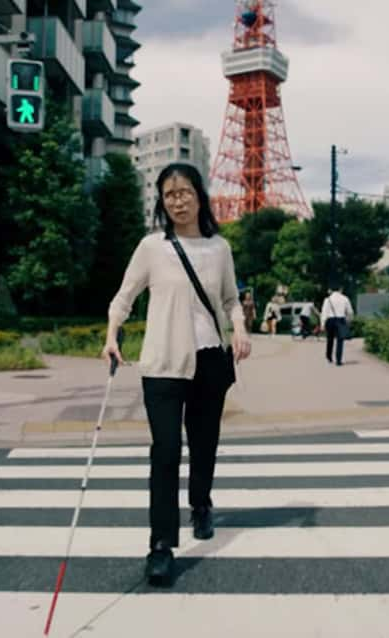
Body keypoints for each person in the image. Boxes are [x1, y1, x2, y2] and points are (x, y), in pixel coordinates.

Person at [103, 162, 252, 586]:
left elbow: (230, 299)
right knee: (165, 451)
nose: (178, 201)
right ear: (161, 202)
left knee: (204, 444)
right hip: (163, 363)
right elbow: (124, 296)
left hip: (210, 360)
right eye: (169, 195)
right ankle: (160, 545)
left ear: (199, 196)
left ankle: (201, 504)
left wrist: (239, 329)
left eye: (184, 192)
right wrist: (112, 335)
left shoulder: (219, 248)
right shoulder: (152, 247)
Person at [320, 285, 354, 366]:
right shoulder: (345, 298)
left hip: (330, 320)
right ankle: (338, 360)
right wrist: (349, 320)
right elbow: (350, 312)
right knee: (340, 340)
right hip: (340, 320)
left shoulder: (327, 300)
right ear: (340, 289)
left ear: (331, 290)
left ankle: (329, 357)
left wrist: (322, 324)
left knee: (330, 339)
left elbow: (324, 313)